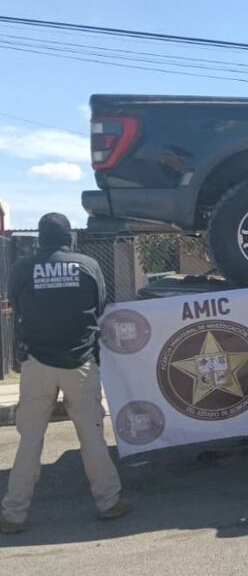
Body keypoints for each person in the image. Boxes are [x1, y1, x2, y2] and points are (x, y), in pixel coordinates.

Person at [1, 213, 130, 534]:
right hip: (81, 361)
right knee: (92, 437)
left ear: (40, 238)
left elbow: (17, 306)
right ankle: (108, 502)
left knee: (30, 439)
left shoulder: (21, 269)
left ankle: (14, 514)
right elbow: (99, 306)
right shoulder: (87, 265)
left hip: (37, 363)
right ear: (67, 237)